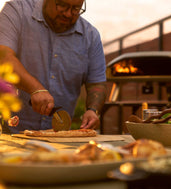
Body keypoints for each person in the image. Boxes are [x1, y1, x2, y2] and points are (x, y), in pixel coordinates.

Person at [0, 0, 107, 133]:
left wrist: (93, 111)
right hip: (8, 133)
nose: (68, 14)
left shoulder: (91, 36)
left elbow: (97, 84)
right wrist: (35, 89)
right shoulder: (17, 11)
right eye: (62, 5)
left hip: (59, 139)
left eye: (76, 8)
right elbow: (3, 57)